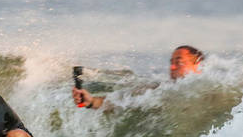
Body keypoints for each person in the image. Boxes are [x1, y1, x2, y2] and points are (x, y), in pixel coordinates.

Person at [72, 45, 204, 109]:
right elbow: (119, 101)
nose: (172, 67)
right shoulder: (158, 89)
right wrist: (90, 101)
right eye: (171, 62)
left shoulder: (213, 88)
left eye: (179, 62)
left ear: (197, 66)